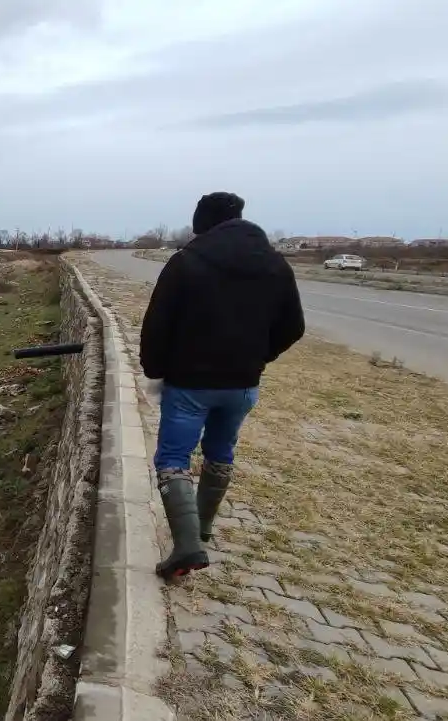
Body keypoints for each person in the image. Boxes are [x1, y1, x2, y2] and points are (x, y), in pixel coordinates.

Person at [140, 192, 305, 581]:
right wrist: (259, 358)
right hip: (242, 385)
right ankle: (201, 530)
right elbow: (293, 327)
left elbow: (157, 324)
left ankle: (186, 545)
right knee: (220, 453)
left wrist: (156, 368)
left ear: (201, 224)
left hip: (190, 384)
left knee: (173, 460)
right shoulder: (276, 265)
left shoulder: (186, 262)